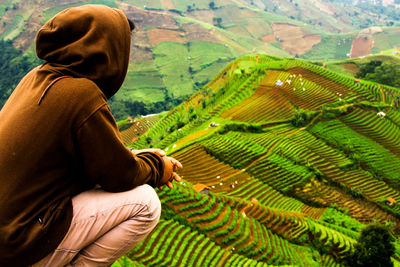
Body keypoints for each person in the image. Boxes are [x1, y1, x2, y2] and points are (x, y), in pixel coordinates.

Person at [0, 4, 182, 266]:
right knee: (146, 203)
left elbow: (95, 160)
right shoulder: (83, 95)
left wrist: (140, 157)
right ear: (108, 51)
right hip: (20, 245)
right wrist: (158, 168)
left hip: (8, 235)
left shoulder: (36, 78)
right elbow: (119, 176)